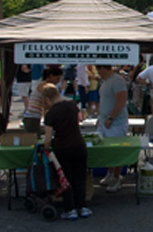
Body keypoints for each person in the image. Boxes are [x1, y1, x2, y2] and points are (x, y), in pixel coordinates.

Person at [41, 83, 92, 220]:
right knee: (80, 177)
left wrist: (45, 148)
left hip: (62, 147)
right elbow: (79, 121)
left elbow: (47, 139)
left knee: (66, 179)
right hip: (79, 145)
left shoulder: (50, 114)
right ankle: (83, 207)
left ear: (47, 99)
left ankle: (70, 209)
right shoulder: (72, 105)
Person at [97, 65, 129, 192]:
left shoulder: (117, 80)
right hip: (105, 121)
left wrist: (111, 117)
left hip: (115, 122)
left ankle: (116, 177)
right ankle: (110, 174)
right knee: (108, 150)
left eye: (98, 68)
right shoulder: (106, 82)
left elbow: (121, 101)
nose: (97, 71)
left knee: (116, 150)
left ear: (105, 68)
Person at [22, 67, 63, 134]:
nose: (58, 81)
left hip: (33, 117)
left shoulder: (43, 84)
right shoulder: (45, 86)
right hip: (32, 117)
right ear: (51, 76)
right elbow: (46, 104)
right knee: (35, 139)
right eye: (57, 78)